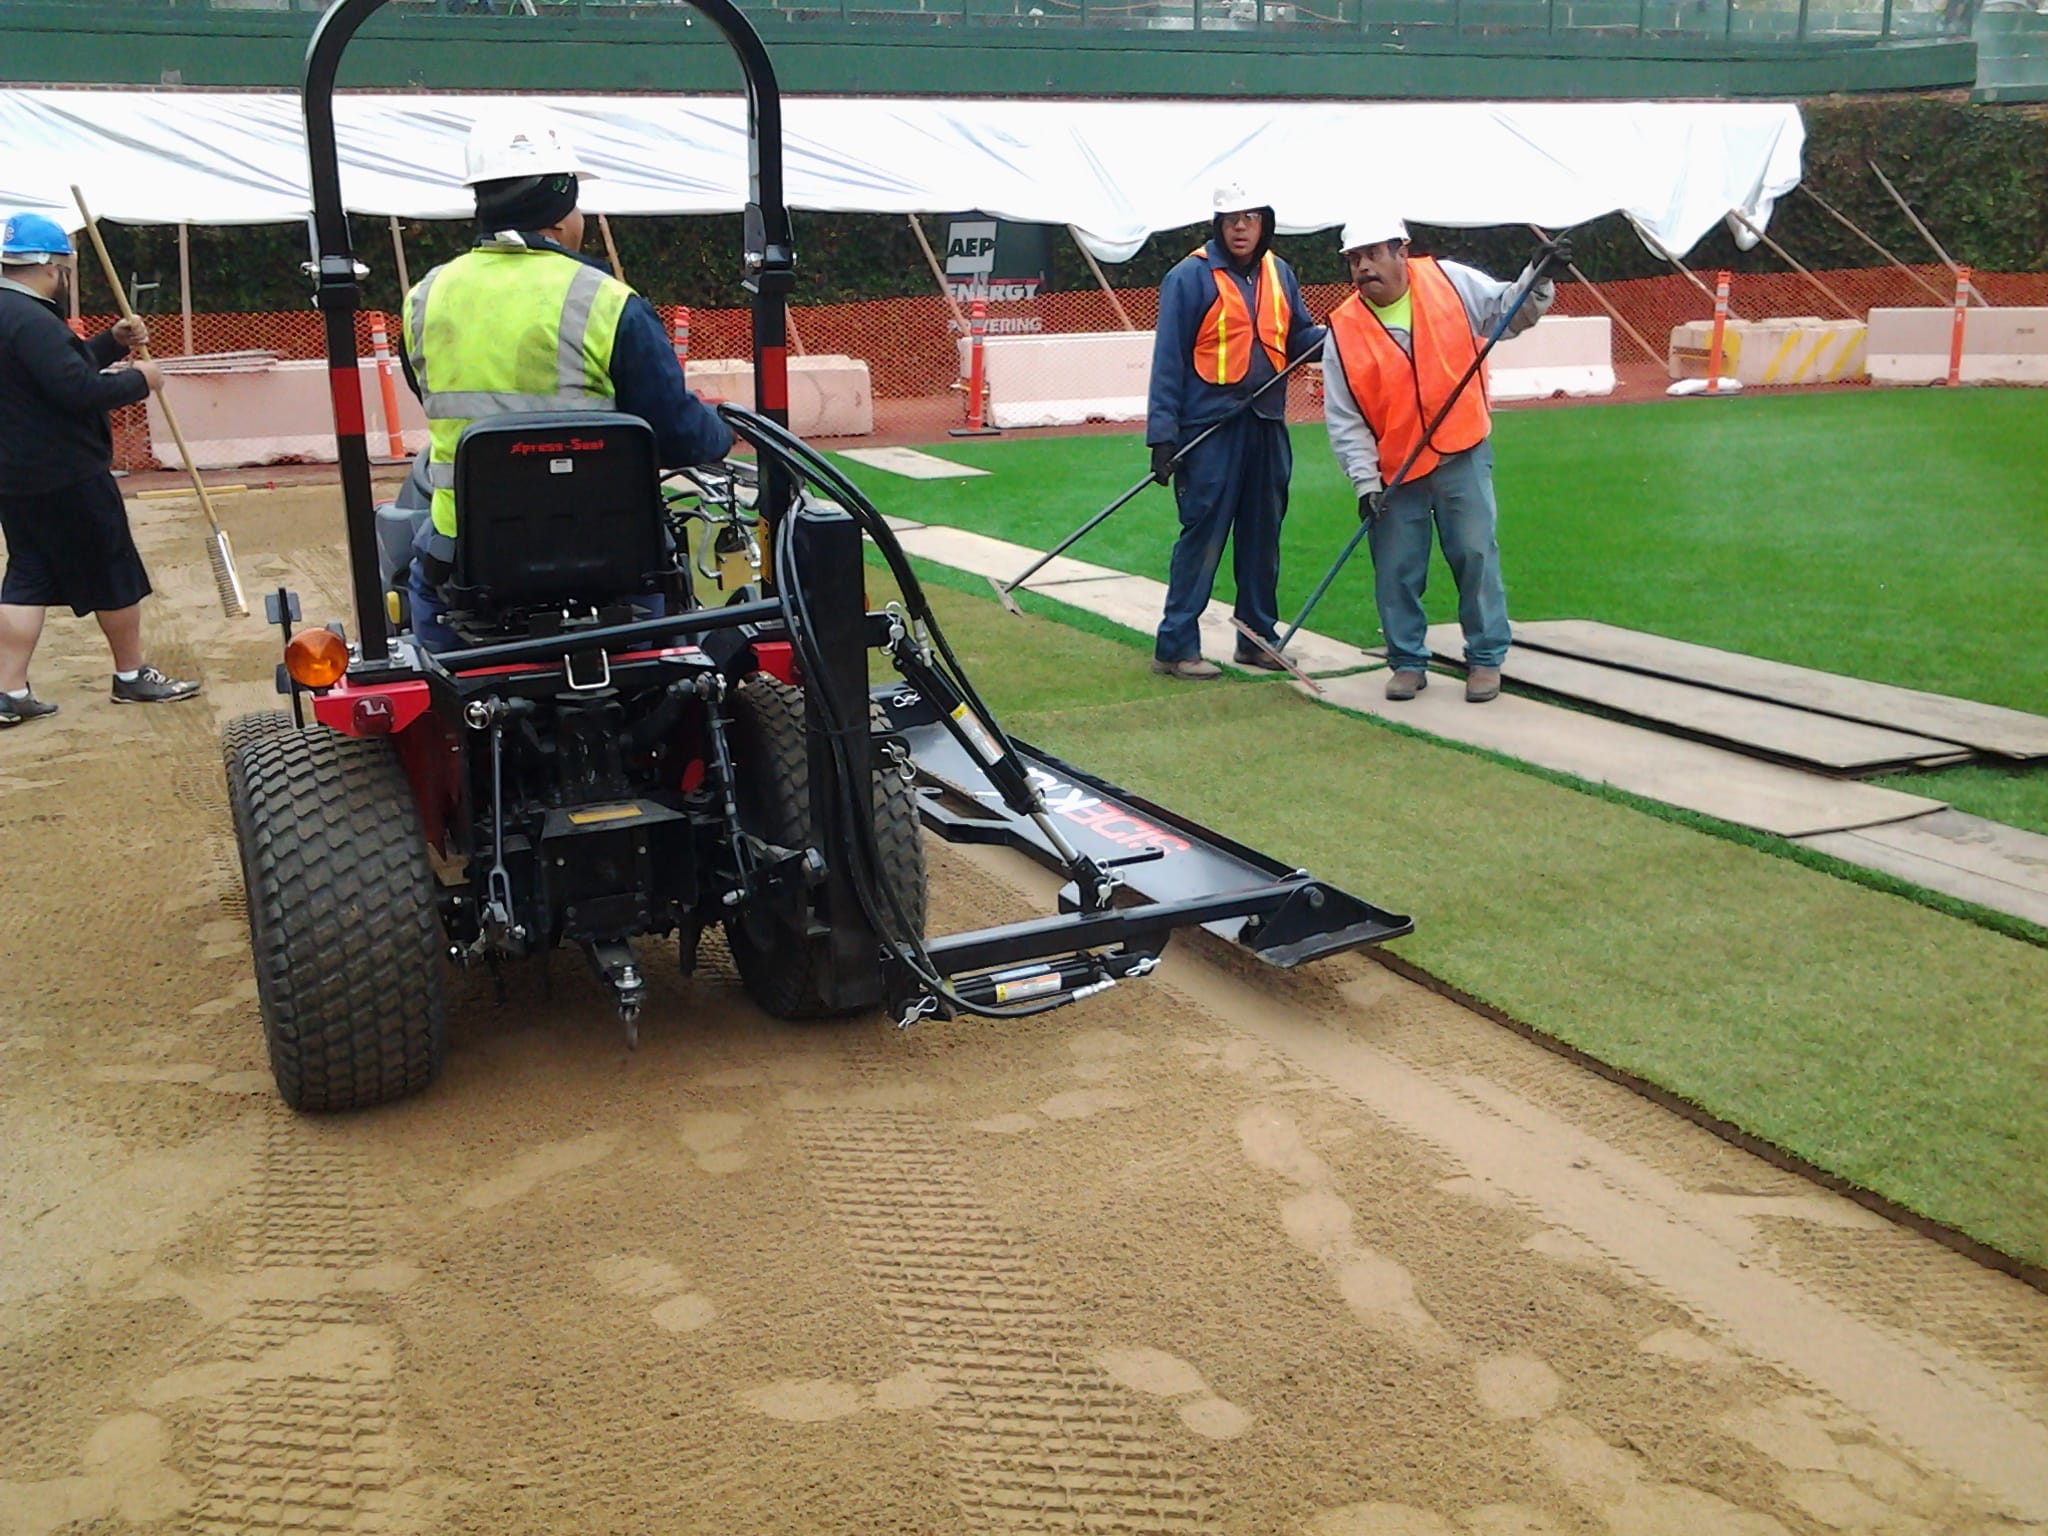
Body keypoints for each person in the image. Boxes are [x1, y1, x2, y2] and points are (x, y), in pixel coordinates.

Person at [400, 111, 732, 650]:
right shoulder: (607, 302)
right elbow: (676, 435)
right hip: (610, 567)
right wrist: (720, 427)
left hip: (468, 564)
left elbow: (433, 397)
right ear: (559, 210)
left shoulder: (424, 298)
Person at [1322, 213, 1565, 703]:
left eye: (1372, 254)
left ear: (1400, 250)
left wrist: (1537, 279)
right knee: (1396, 570)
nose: (1363, 268)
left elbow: (1506, 312)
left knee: (1475, 555)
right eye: (1354, 259)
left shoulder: (1450, 282)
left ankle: (1485, 659)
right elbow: (1344, 419)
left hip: (1462, 449)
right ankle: (1407, 661)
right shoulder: (1342, 330)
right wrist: (1365, 483)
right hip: (1396, 471)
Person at [0, 212, 201, 726]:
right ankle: (131, 675)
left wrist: (111, 343)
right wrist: (142, 379)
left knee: (28, 575)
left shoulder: (14, 317)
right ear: (51, 266)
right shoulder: (33, 320)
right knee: (113, 570)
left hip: (16, 476)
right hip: (67, 472)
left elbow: (59, 371)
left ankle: (9, 688)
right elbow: (76, 391)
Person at [1144, 182, 1325, 680]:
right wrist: (1163, 435)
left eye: (1250, 217)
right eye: (1231, 219)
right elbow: (1168, 359)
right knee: (1202, 535)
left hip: (1266, 425)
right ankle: (1176, 646)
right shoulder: (1189, 276)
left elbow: (1298, 338)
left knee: (1262, 535)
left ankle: (1256, 639)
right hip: (1209, 429)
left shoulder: (1280, 273)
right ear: (1218, 224)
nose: (1241, 227)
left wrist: (1339, 334)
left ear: (1265, 221)